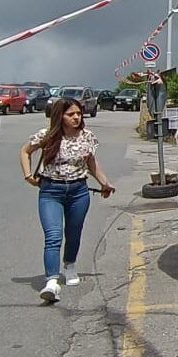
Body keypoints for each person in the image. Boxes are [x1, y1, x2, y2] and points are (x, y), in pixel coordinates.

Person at [19, 97, 115, 304]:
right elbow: (25, 151)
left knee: (73, 232)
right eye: (71, 114)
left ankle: (69, 266)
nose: (76, 117)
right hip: (50, 191)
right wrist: (28, 176)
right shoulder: (48, 135)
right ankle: (51, 282)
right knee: (53, 236)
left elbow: (91, 163)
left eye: (79, 113)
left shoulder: (87, 137)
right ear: (60, 116)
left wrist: (105, 183)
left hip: (78, 191)